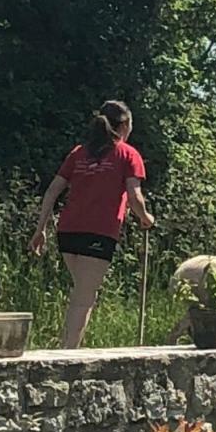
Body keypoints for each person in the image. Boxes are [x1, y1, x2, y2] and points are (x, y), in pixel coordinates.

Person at [30, 100, 154, 348]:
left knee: (82, 290)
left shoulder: (79, 153)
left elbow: (52, 191)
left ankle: (69, 345)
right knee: (84, 296)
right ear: (126, 125)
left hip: (67, 233)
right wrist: (146, 218)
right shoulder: (128, 154)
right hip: (98, 232)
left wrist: (41, 228)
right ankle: (68, 354)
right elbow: (134, 196)